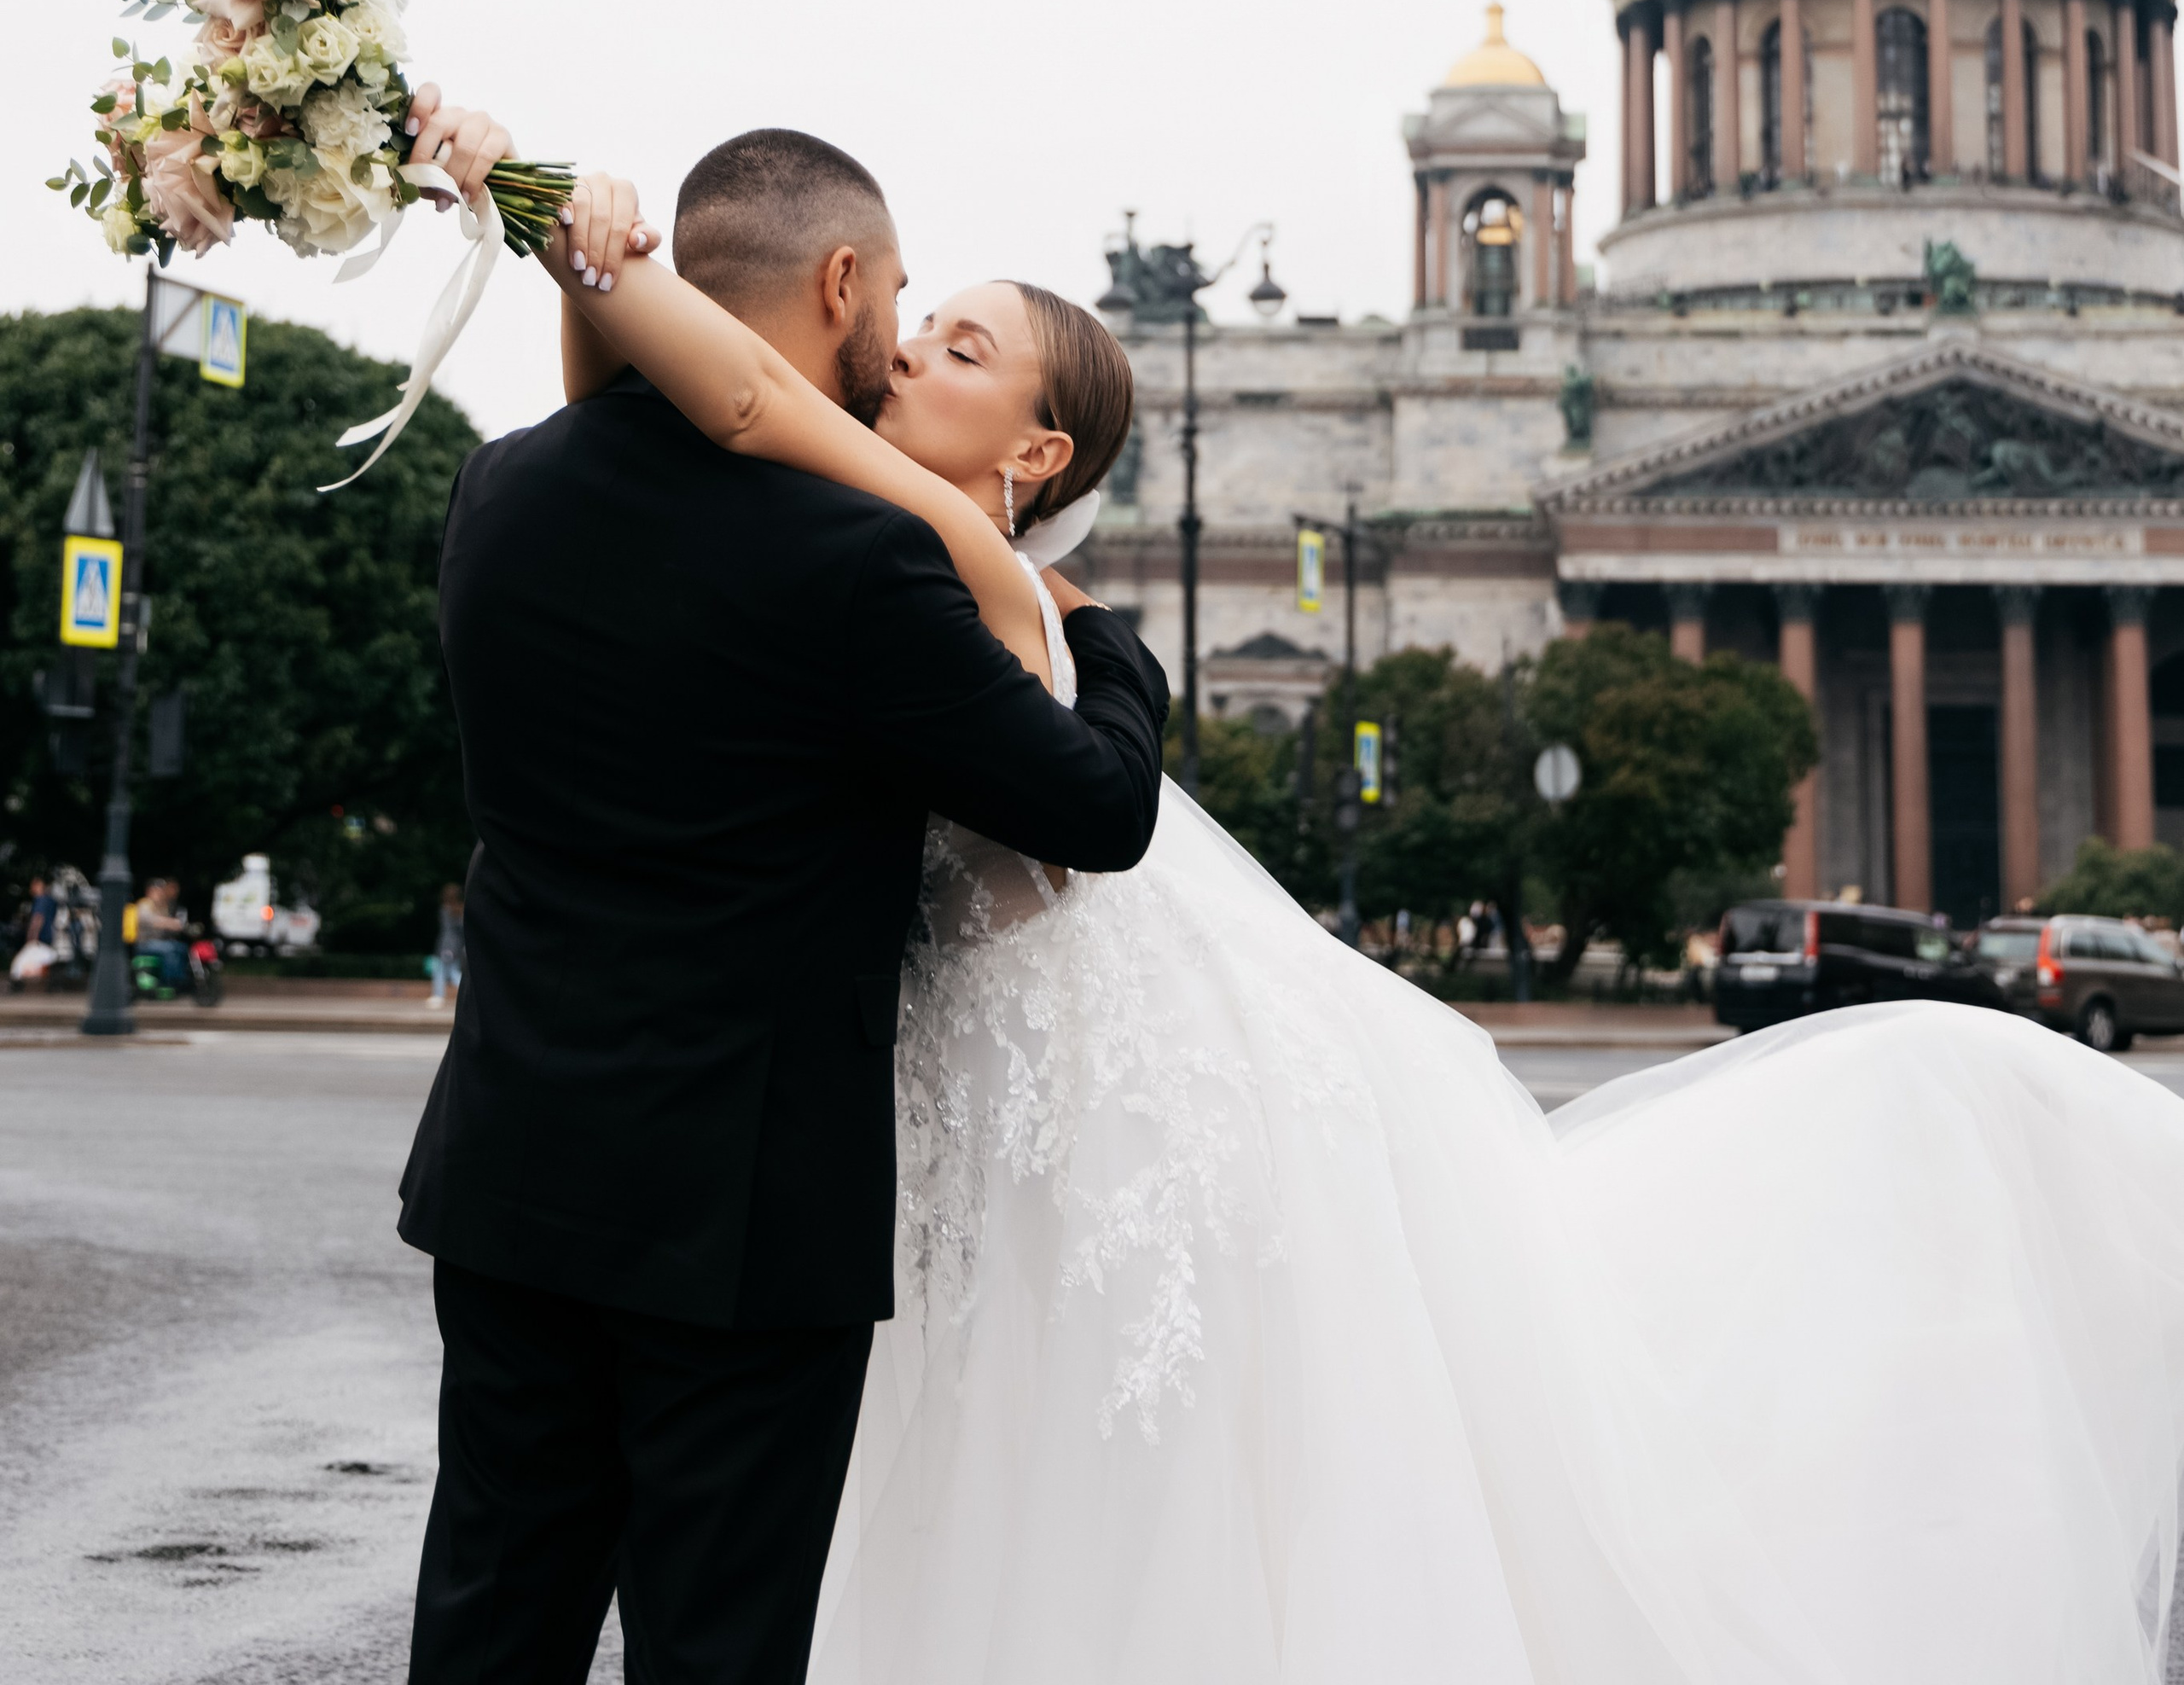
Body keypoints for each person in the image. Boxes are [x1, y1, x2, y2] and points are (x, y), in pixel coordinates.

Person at [550, 163, 2184, 1685]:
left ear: (1037, 454)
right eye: (907, 328)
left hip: (1089, 1117)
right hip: (1010, 1119)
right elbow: (661, 456)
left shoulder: (961, 552)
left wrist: (561, 218)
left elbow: (749, 396)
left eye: (950, 344)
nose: (896, 356)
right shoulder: (903, 555)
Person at [396, 100, 1169, 1685]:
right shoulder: (862, 561)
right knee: (717, 1645)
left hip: (515, 1165)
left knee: (487, 1621)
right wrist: (1099, 638)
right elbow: (1097, 812)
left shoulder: (500, 493)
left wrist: (584, 279)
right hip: (741, 1224)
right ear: (836, 284)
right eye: (899, 306)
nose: (897, 345)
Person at [427, 882, 465, 1010]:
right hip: (456, 946)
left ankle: (439, 995)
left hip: (447, 946)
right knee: (450, 971)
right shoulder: (460, 910)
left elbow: (447, 932)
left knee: (443, 971)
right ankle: (469, 991)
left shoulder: (445, 910)